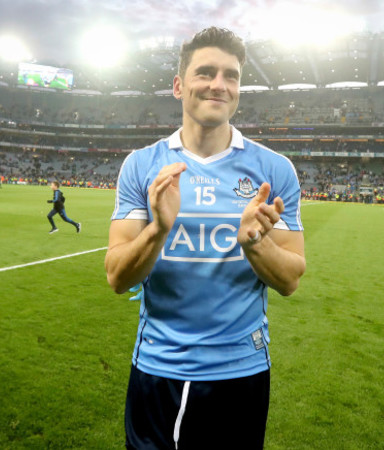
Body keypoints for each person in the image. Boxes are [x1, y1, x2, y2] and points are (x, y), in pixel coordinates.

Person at [105, 27, 306, 450]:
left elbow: (290, 279)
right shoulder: (143, 166)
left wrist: (255, 243)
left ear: (238, 89)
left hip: (242, 371)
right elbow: (118, 277)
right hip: (160, 369)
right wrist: (159, 229)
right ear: (179, 86)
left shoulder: (274, 170)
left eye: (230, 76)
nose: (219, 84)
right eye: (206, 72)